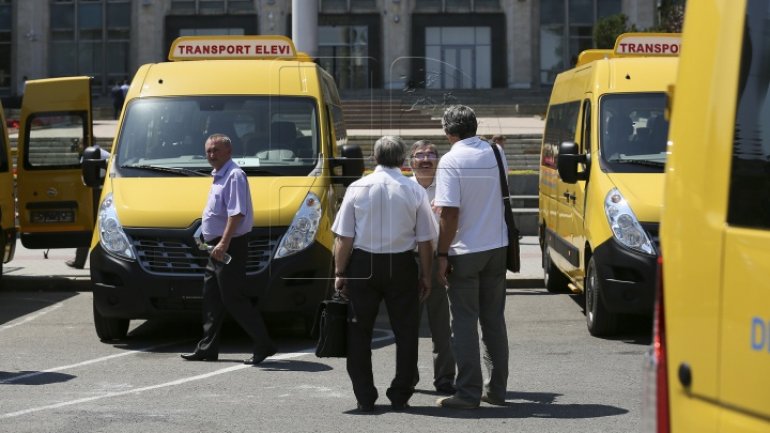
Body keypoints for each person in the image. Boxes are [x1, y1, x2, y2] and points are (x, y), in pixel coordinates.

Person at [331, 135, 435, 412]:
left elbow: (344, 238)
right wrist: (426, 275)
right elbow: (425, 240)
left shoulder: (358, 186)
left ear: (374, 158)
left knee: (359, 332)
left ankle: (365, 396)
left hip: (364, 264)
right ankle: (400, 393)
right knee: (406, 331)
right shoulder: (414, 191)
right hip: (401, 264)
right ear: (403, 160)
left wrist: (340, 272)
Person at [433, 105, 509, 409]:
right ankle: (497, 390)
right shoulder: (495, 152)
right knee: (494, 321)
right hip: (498, 247)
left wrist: (441, 253)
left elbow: (449, 214)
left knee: (464, 322)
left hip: (465, 251)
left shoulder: (450, 160)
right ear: (474, 127)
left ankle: (467, 392)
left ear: (448, 132)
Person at [181, 133, 276, 365]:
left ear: (228, 152)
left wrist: (223, 243)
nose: (211, 155)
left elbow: (237, 214)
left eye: (216, 150)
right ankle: (207, 347)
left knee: (233, 298)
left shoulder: (234, 175)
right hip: (215, 247)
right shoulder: (219, 175)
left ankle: (264, 344)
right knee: (211, 298)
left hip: (229, 246)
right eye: (208, 151)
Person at [408, 139, 456, 395]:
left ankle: (445, 378)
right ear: (410, 162)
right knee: (408, 325)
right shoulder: (404, 188)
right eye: (420, 154)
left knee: (441, 325)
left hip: (440, 261)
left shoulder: (448, 188)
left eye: (431, 154)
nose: (426, 158)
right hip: (410, 262)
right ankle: (408, 376)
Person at [66, 144, 111, 269]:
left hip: (96, 192)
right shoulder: (101, 153)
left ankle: (80, 261)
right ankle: (82, 261)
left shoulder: (91, 154)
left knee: (88, 225)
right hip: (99, 189)